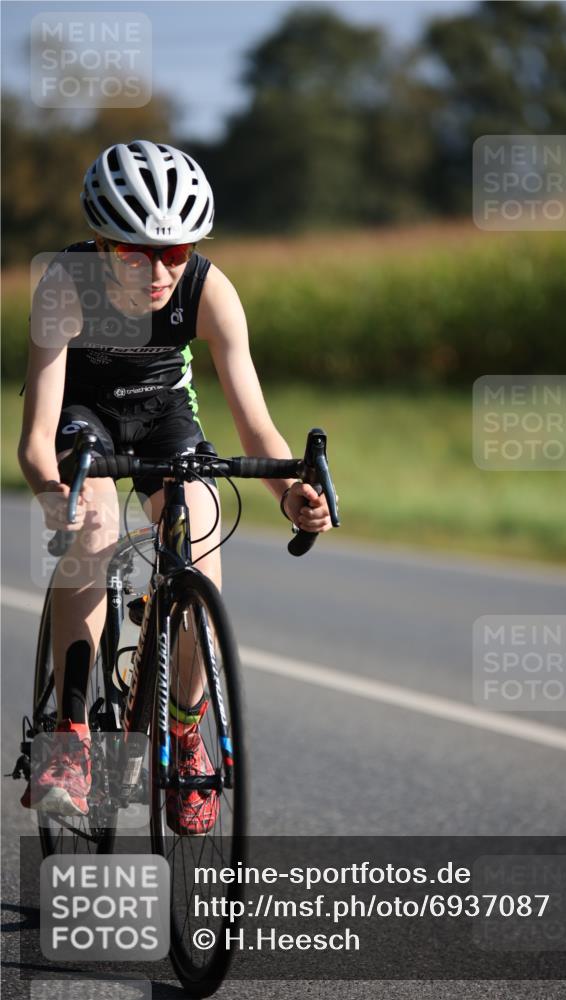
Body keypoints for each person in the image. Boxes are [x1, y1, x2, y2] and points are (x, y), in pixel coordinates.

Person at [18, 139, 333, 834]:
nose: (159, 271)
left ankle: (186, 732)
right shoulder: (64, 284)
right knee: (94, 527)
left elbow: (256, 426)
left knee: (202, 534)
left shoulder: (210, 290)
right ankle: (70, 739)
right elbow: (36, 437)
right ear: (102, 245)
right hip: (84, 416)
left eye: (176, 252)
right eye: (135, 254)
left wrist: (290, 494)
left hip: (164, 416)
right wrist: (53, 496)